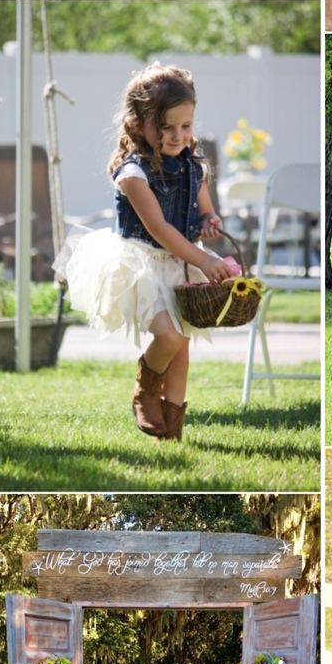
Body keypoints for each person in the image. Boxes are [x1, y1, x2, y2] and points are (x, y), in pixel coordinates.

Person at [54, 64, 232, 442]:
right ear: (138, 126)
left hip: (180, 263)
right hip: (140, 265)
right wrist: (203, 259)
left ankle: (171, 432)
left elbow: (204, 210)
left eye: (185, 126)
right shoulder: (132, 174)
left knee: (182, 346)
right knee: (167, 337)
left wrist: (210, 221)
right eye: (167, 127)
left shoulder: (194, 166)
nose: (178, 135)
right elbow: (158, 228)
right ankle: (145, 388)